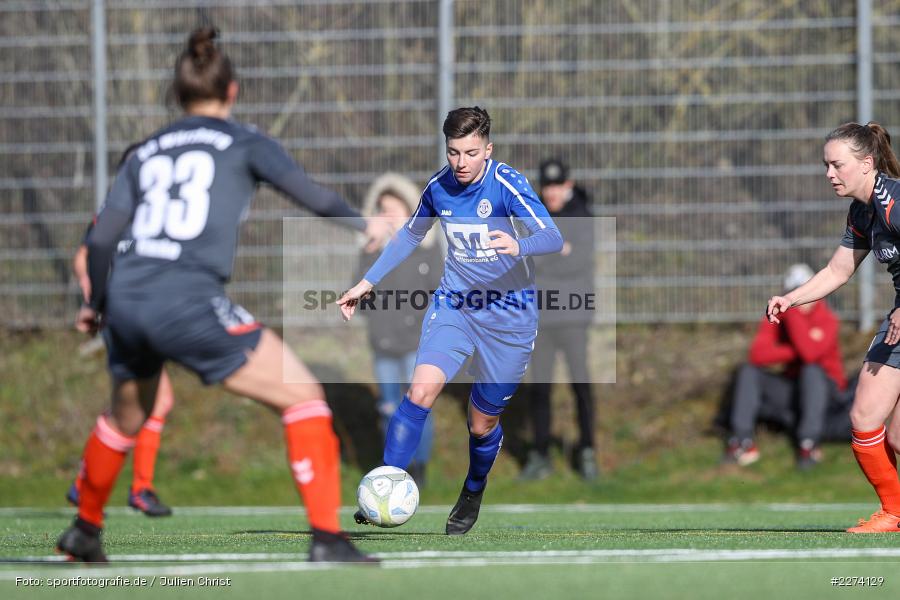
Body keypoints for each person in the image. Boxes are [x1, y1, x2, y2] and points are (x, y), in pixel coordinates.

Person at [55, 27, 387, 562]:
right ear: (232, 90)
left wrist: (95, 307)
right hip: (187, 297)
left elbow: (100, 240)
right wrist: (363, 224)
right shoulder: (243, 141)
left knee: (125, 419)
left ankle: (84, 531)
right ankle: (328, 538)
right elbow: (311, 195)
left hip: (127, 298)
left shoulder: (145, 152)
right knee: (304, 397)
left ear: (177, 94)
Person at [339, 106, 563, 535]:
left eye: (471, 153)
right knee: (419, 391)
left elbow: (552, 236)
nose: (461, 162)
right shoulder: (439, 187)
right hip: (456, 306)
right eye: (454, 152)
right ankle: (384, 486)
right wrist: (366, 283)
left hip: (510, 319)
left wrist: (519, 245)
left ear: (488, 150)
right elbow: (410, 234)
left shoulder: (506, 185)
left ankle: (474, 488)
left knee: (481, 424)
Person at [767, 121, 900, 532]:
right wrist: (791, 299)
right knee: (870, 421)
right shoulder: (862, 210)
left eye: (837, 165)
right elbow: (837, 271)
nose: (829, 174)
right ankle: (894, 512)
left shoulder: (896, 201)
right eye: (826, 165)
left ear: (866, 163)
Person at [67, 223, 174, 517]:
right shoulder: (124, 206)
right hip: (125, 311)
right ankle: (139, 488)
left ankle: (86, 483)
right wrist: (94, 298)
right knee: (155, 401)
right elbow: (85, 254)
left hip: (146, 312)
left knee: (131, 403)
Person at [355, 173, 443, 486]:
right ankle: (394, 467)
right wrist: (371, 249)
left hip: (416, 344)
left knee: (417, 405)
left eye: (393, 209)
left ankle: (419, 467)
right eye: (382, 210)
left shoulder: (426, 249)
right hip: (383, 344)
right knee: (388, 408)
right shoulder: (372, 251)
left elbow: (439, 291)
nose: (388, 216)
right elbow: (359, 299)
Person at [723, 263, 853, 470]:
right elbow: (757, 354)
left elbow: (810, 356)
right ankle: (742, 441)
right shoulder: (780, 315)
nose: (801, 299)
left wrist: (793, 320)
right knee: (748, 372)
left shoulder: (827, 318)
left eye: (804, 291)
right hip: (794, 389)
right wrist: (799, 341)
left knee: (811, 371)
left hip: (827, 393)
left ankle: (808, 444)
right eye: (794, 292)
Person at [519, 158, 598, 481]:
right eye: (547, 186)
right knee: (540, 387)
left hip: (574, 316)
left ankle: (587, 449)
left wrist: (549, 254)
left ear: (568, 185)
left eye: (557, 185)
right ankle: (540, 454)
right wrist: (558, 250)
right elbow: (528, 260)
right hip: (541, 316)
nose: (551, 192)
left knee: (580, 384)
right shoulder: (533, 215)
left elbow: (579, 261)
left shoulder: (583, 215)